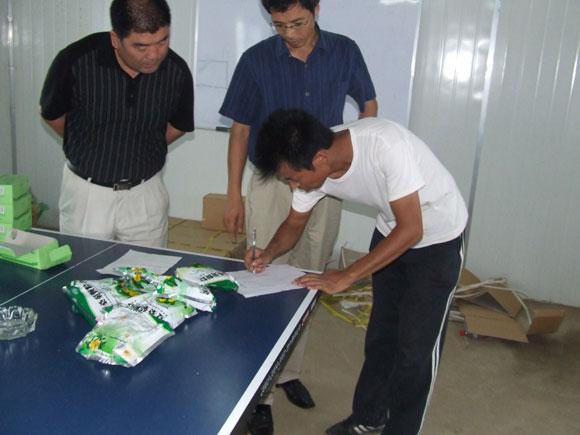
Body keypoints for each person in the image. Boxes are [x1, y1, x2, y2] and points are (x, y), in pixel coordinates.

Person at [248, 109, 468, 435]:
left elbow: (412, 229)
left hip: (437, 239)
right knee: (381, 338)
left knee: (415, 352)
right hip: (391, 232)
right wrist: (267, 253)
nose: (294, 186)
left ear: (320, 159)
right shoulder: (312, 162)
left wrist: (346, 275)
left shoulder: (385, 146)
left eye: (293, 179)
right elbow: (294, 224)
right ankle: (369, 417)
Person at [219, 1, 377, 433]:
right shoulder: (255, 60)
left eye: (298, 23)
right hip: (272, 182)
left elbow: (369, 105)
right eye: (279, 25)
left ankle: (289, 372)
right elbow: (240, 130)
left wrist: (352, 161)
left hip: (326, 182)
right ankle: (261, 392)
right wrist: (233, 193)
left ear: (316, 9)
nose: (289, 33)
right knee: (266, 274)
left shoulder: (344, 51)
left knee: (310, 277)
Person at [40, 0, 194, 247]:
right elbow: (52, 115)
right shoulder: (76, 61)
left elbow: (178, 126)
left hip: (145, 194)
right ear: (115, 39)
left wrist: (140, 147)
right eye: (141, 46)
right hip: (87, 195)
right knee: (84, 267)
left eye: (162, 41)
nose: (154, 55)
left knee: (149, 269)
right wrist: (92, 146)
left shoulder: (177, 71)